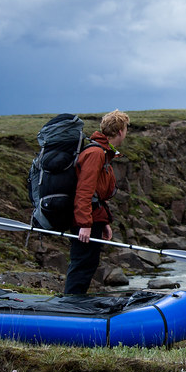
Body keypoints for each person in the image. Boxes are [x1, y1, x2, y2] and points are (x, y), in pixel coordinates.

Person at [64, 110, 130, 295]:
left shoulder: (103, 152)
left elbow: (97, 193)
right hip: (85, 219)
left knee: (89, 263)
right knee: (82, 263)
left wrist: (104, 223)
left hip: (94, 217)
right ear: (119, 131)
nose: (125, 133)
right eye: (125, 129)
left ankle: (74, 304)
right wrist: (84, 224)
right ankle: (70, 307)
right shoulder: (95, 153)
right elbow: (84, 190)